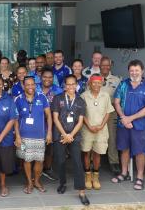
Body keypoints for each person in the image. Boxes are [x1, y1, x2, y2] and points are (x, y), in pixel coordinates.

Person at [111, 59, 145, 190]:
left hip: (139, 125)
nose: (134, 73)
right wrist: (124, 118)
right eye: (132, 70)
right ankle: (124, 173)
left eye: (137, 70)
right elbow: (116, 102)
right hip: (123, 124)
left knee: (139, 151)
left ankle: (140, 177)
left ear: (142, 71)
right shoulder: (123, 84)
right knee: (124, 149)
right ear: (128, 71)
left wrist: (130, 118)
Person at [52, 75, 89, 205]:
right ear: (64, 85)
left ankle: (81, 191)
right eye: (68, 84)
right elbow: (55, 119)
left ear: (76, 85)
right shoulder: (58, 98)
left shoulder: (80, 101)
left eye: (73, 84)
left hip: (74, 135)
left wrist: (70, 135)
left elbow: (80, 121)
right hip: (60, 135)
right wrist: (64, 135)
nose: (71, 87)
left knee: (77, 162)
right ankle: (62, 183)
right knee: (60, 161)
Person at [14, 76, 52, 194]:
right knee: (27, 160)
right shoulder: (18, 99)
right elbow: (15, 119)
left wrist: (49, 132)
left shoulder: (42, 97)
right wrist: (17, 136)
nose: (30, 87)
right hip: (24, 137)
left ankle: (37, 181)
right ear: (24, 86)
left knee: (39, 160)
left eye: (32, 84)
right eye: (28, 84)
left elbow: (49, 116)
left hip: (40, 136)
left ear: (35, 85)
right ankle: (29, 182)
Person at [81, 74, 114, 190]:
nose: (96, 85)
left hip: (101, 130)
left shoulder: (105, 96)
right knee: (86, 152)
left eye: (98, 82)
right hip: (87, 129)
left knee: (97, 153)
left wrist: (101, 125)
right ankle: (87, 176)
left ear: (102, 83)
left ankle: (95, 177)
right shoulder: (84, 96)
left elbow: (108, 112)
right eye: (94, 82)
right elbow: (82, 114)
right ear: (89, 83)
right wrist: (89, 126)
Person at [38, 67, 63, 181]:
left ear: (53, 78)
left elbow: (62, 108)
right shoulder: (35, 88)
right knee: (37, 148)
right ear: (40, 77)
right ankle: (36, 170)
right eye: (45, 77)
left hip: (52, 123)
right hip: (36, 123)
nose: (47, 79)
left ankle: (47, 169)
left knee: (49, 148)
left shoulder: (58, 90)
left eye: (50, 77)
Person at [99, 56, 122, 174]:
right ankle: (94, 161)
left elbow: (120, 97)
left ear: (110, 66)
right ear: (99, 66)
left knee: (112, 137)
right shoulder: (94, 78)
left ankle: (114, 162)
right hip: (96, 112)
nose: (105, 67)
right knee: (96, 136)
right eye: (103, 65)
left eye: (107, 65)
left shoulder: (116, 80)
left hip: (111, 111)